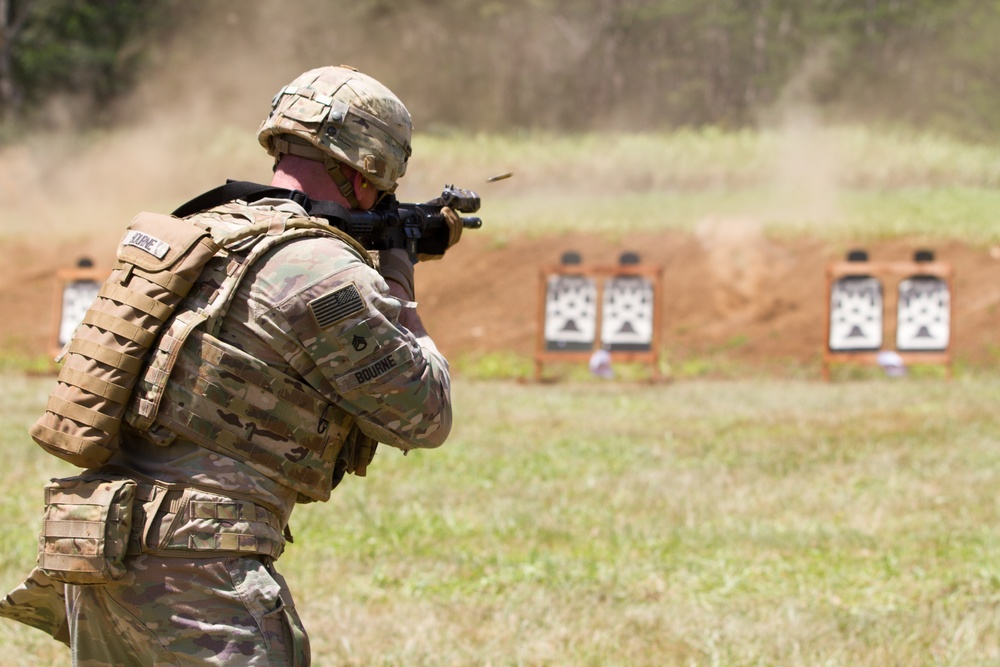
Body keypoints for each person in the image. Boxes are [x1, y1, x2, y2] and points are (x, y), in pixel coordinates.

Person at [0, 65, 459, 665]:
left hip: (93, 550)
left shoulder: (195, 233)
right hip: (200, 568)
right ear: (366, 168)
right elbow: (424, 415)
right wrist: (399, 278)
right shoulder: (320, 267)